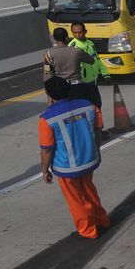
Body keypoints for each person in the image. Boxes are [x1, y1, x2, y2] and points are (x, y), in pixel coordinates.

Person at [39, 76, 110, 239]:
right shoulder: (89, 106)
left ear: (50, 96)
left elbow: (47, 149)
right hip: (89, 159)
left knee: (76, 199)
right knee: (89, 191)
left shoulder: (47, 118)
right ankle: (102, 219)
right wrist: (96, 151)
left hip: (66, 167)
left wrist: (45, 170)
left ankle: (88, 230)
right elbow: (98, 130)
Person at [43, 27, 96, 103]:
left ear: (54, 38)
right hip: (77, 87)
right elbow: (91, 61)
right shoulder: (77, 51)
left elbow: (47, 75)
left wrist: (49, 95)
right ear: (67, 38)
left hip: (60, 89)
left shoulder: (48, 54)